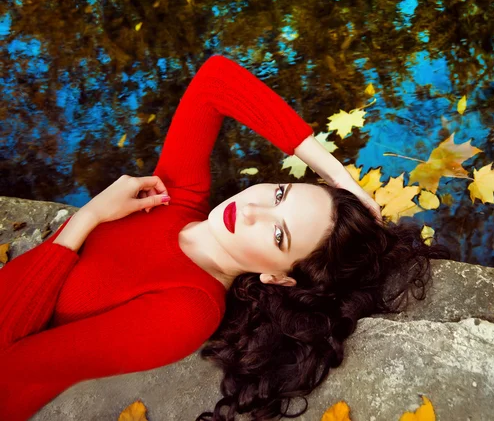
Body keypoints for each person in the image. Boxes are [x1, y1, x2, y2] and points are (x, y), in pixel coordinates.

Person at [0, 55, 448, 421]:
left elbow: (11, 368)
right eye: (279, 192)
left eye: (278, 233)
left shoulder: (187, 310)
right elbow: (215, 80)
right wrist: (336, 174)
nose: (251, 209)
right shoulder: (177, 196)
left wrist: (88, 217)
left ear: (277, 277)